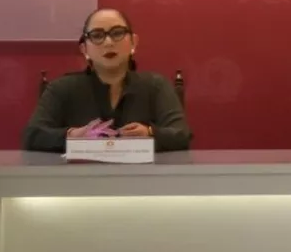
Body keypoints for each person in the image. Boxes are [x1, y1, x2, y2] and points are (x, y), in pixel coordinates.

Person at [23, 8, 192, 152]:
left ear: (134, 42)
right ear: (84, 49)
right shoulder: (62, 88)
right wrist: (72, 136)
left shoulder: (156, 85)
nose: (108, 42)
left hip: (143, 182)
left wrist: (149, 133)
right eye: (97, 35)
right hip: (79, 182)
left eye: (117, 33)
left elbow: (182, 135)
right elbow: (32, 136)